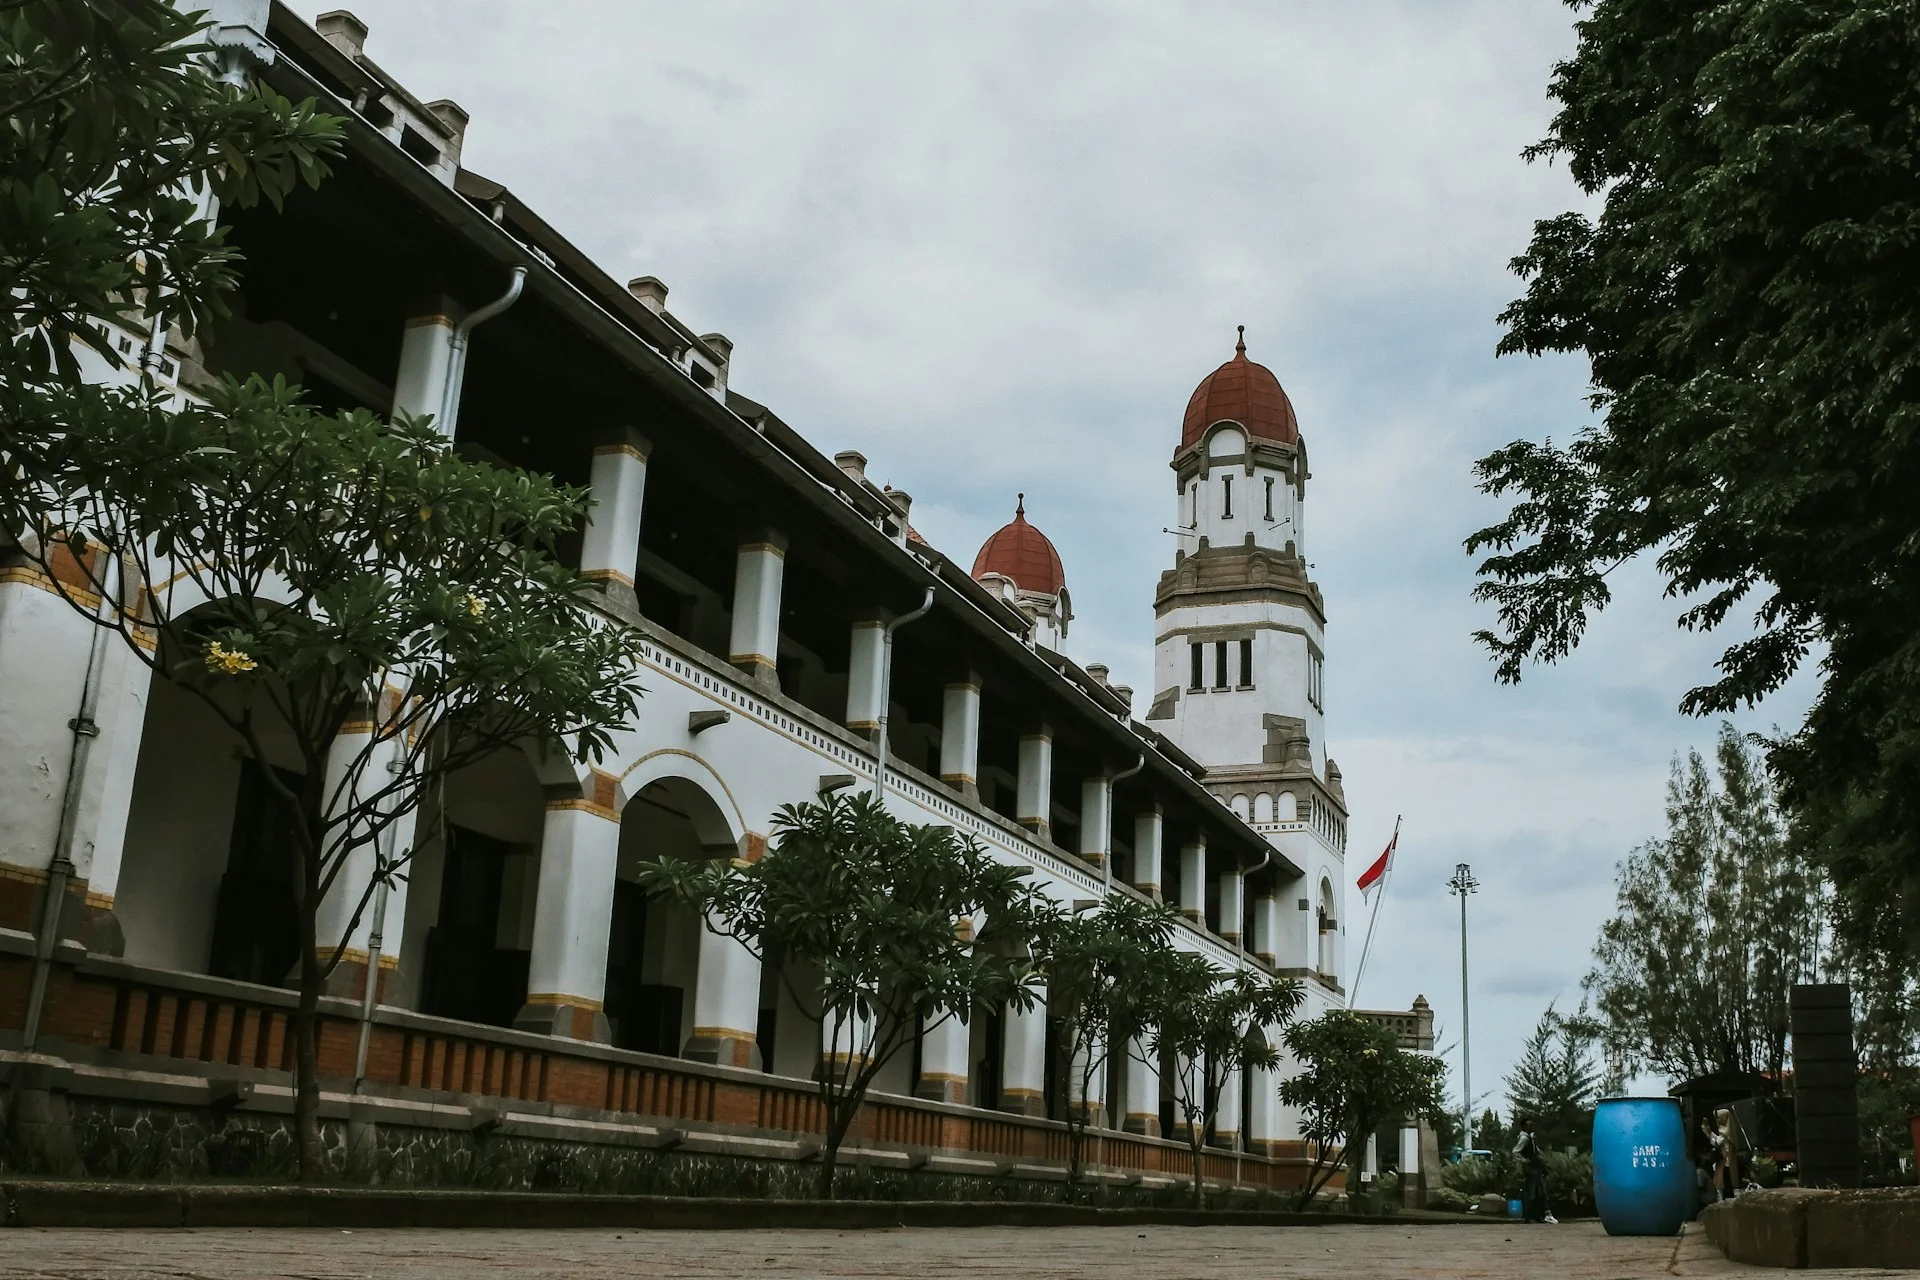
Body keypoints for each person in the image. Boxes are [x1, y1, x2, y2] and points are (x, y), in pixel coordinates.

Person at [1513, 1116, 1557, 1224]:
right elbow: (1515, 1152)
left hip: (1536, 1167)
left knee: (1538, 1192)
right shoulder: (1524, 1138)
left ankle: (1536, 1216)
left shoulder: (1530, 1137)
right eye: (1529, 1125)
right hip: (1531, 1168)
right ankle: (1529, 1216)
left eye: (1532, 1125)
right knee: (1532, 1193)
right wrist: (1525, 1161)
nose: (1532, 1127)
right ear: (1524, 1127)